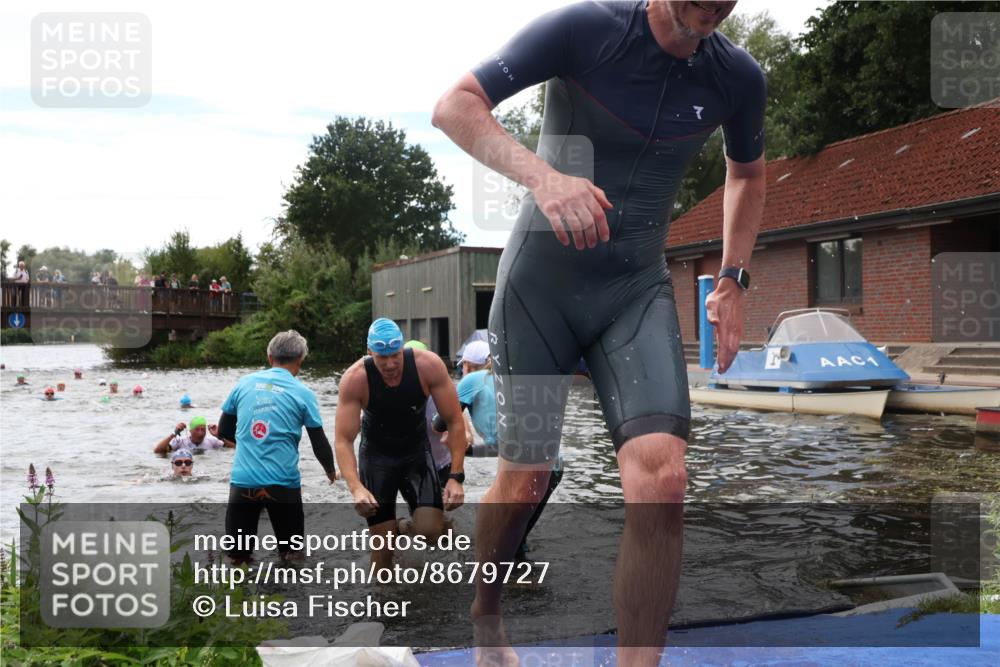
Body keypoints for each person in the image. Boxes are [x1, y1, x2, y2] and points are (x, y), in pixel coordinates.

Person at [433, 1, 765, 663]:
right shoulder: (586, 28)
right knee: (526, 477)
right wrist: (544, 177)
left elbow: (748, 172)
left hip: (634, 291)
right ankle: (486, 612)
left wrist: (732, 276)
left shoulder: (737, 76)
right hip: (540, 288)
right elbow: (455, 105)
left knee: (662, 477)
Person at [334, 319, 468, 571]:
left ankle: (406, 526)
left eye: (395, 355)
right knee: (382, 550)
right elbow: (343, 440)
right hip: (377, 460)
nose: (390, 364)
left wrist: (455, 477)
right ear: (369, 351)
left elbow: (455, 421)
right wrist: (356, 488)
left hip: (416, 454)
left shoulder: (427, 365)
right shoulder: (355, 379)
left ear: (402, 348)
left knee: (431, 532)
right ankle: (384, 604)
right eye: (381, 357)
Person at [435, 340, 563, 562]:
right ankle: (524, 586)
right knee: (515, 539)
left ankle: (509, 587)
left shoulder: (472, 380)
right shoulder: (517, 385)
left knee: (503, 542)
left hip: (524, 469)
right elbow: (505, 445)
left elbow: (439, 423)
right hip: (553, 468)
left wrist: (456, 433)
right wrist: (468, 451)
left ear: (467, 365)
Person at [217, 330, 337, 564]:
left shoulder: (244, 384)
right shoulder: (303, 393)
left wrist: (250, 445)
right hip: (283, 485)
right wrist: (330, 471)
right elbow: (318, 441)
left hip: (243, 483)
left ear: (269, 356)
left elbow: (223, 431)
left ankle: (242, 598)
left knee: (237, 558)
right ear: (300, 360)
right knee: (292, 557)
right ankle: (291, 597)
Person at [154, 416, 232, 454]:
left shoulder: (212, 441)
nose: (200, 433)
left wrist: (219, 436)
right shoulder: (180, 441)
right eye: (197, 429)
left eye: (203, 430)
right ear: (190, 431)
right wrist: (174, 434)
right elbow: (158, 451)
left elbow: (235, 448)